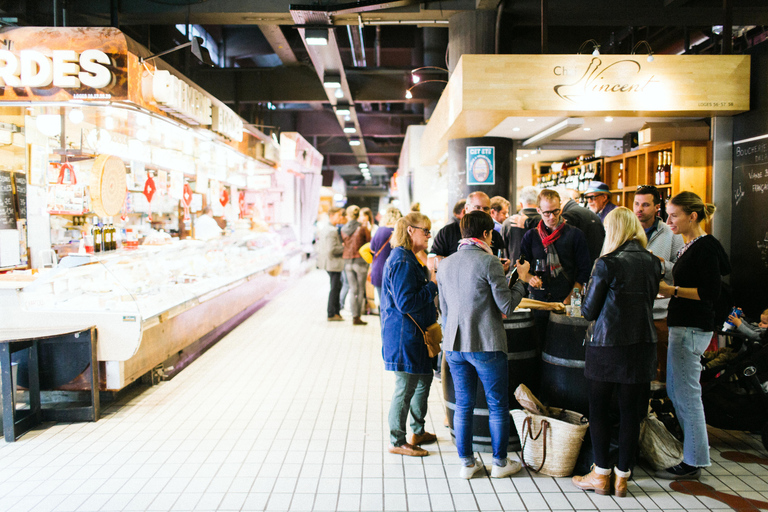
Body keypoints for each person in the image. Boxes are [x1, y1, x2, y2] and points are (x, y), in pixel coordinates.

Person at [571, 207, 662, 498]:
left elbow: (588, 312)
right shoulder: (652, 262)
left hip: (607, 348)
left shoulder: (607, 263)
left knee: (599, 412)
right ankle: (622, 479)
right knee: (630, 414)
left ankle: (600, 476)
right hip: (642, 346)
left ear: (614, 231)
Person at [438, 211, 533, 479]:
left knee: (464, 405)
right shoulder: (489, 262)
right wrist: (521, 281)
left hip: (454, 345)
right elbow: (506, 306)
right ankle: (500, 464)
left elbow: (444, 309)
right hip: (486, 344)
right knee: (497, 405)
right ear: (487, 234)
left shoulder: (445, 265)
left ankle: (467, 464)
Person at [656, 191, 731, 480]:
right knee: (677, 391)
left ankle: (694, 460)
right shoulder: (692, 245)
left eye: (674, 215)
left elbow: (708, 292)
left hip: (691, 327)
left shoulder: (705, 247)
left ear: (693, 216)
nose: (669, 220)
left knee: (687, 394)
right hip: (684, 325)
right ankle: (692, 453)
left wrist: (670, 290)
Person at [381, 212, 439, 457]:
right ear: (409, 231)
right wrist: (433, 284)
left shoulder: (409, 258)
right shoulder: (403, 261)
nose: (428, 236)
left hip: (416, 335)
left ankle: (417, 430)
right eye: (425, 230)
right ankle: (397, 439)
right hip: (405, 336)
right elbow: (405, 303)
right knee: (405, 388)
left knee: (423, 380)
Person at [521, 189, 592, 341]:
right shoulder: (531, 236)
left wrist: (572, 296)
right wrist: (529, 278)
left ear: (561, 207)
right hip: (538, 301)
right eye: (547, 213)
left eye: (556, 211)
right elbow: (521, 267)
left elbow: (585, 270)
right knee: (539, 343)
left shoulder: (575, 234)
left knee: (563, 345)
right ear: (538, 210)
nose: (552, 217)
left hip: (565, 299)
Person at [634, 185, 684, 382]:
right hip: (631, 314)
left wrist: (662, 266)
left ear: (657, 207)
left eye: (645, 205)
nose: (639, 209)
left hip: (660, 313)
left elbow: (681, 270)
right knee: (636, 371)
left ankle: (663, 408)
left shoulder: (671, 233)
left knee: (663, 372)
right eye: (636, 204)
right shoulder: (626, 231)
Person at [431, 192, 508, 267]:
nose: (482, 211)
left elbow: (501, 259)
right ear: (466, 208)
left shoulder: (494, 235)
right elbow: (432, 261)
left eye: (486, 208)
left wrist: (501, 266)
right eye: (477, 207)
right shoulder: (448, 232)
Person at [341, 205, 372, 326]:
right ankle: (357, 317)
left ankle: (354, 314)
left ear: (348, 215)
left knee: (352, 289)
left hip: (347, 262)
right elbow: (369, 244)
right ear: (358, 215)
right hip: (360, 261)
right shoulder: (363, 228)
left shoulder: (343, 229)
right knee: (360, 290)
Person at [558, 186, 606, 264]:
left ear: (560, 201)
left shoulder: (569, 216)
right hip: (597, 263)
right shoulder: (587, 212)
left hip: (582, 265)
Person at [317, 207, 347, 321]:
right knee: (335, 288)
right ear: (332, 216)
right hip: (333, 263)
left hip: (329, 263)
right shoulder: (331, 230)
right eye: (338, 215)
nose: (340, 217)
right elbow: (332, 249)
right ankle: (332, 313)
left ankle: (334, 312)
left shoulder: (327, 228)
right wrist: (344, 247)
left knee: (336, 287)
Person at [370, 207, 402, 301]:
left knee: (382, 302)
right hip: (393, 271)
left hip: (377, 269)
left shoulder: (379, 230)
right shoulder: (398, 232)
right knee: (392, 303)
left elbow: (372, 249)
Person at [502, 186, 539, 262]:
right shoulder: (546, 222)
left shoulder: (509, 222)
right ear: (539, 203)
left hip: (515, 269)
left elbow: (503, 252)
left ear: (521, 204)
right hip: (540, 269)